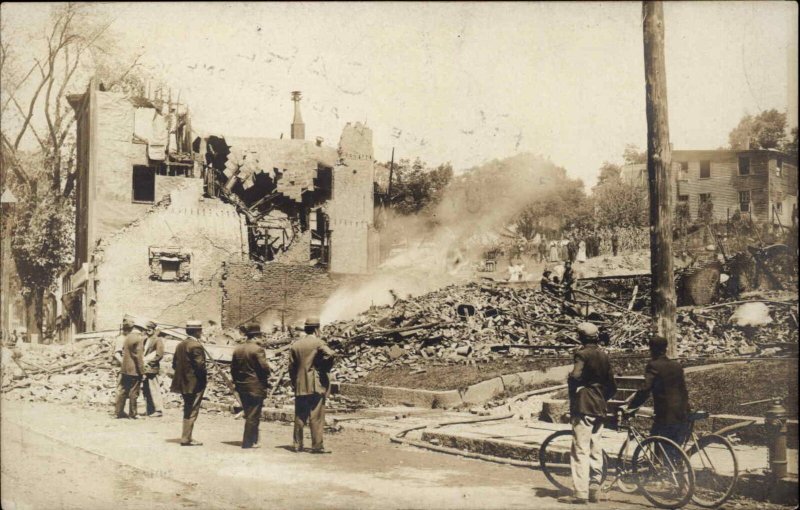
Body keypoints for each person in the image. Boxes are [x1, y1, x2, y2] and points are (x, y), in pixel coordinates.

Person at [560, 323, 617, 505]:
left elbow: (576, 376)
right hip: (600, 404)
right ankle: (594, 486)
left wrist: (575, 383)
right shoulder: (603, 355)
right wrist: (602, 397)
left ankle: (580, 493)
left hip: (584, 403)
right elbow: (612, 385)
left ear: (581, 337)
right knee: (595, 446)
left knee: (580, 448)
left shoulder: (582, 354)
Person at [626, 336, 690, 446]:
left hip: (665, 412)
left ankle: (658, 462)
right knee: (673, 446)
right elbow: (683, 390)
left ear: (652, 349)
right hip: (681, 410)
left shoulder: (653, 365)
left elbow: (645, 390)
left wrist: (632, 406)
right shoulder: (677, 366)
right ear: (665, 348)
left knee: (658, 439)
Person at [289, 317, 336, 454]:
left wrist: (295, 383)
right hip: (315, 385)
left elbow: (291, 368)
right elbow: (331, 354)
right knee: (316, 416)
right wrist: (323, 366)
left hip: (300, 384)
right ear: (316, 329)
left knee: (299, 415)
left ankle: (297, 445)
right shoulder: (318, 342)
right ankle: (317, 446)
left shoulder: (295, 345)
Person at [231, 323, 271, 449]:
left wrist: (237, 381)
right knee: (254, 414)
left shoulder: (238, 349)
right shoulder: (258, 349)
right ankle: (247, 443)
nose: (261, 339)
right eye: (260, 337)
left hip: (242, 386)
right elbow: (264, 368)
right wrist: (267, 374)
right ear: (254, 337)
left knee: (249, 413)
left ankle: (253, 440)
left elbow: (233, 369)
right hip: (255, 386)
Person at [171, 320, 207, 446]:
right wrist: (201, 379)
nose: (201, 332)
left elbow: (174, 364)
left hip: (183, 383)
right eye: (200, 330)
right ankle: (186, 438)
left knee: (187, 408)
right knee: (192, 410)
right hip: (195, 384)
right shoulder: (195, 345)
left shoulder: (180, 344)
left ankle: (186, 437)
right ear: (197, 331)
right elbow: (200, 366)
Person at [114, 317, 146, 419]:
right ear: (141, 329)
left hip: (125, 369)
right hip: (134, 370)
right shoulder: (138, 338)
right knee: (134, 392)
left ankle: (119, 412)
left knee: (123, 390)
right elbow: (138, 357)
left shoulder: (127, 337)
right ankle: (133, 413)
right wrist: (142, 371)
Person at [142, 320, 164, 417]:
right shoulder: (146, 340)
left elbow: (159, 355)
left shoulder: (158, 340)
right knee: (146, 390)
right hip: (145, 368)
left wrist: (150, 363)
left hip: (152, 368)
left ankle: (158, 410)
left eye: (150, 329)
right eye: (146, 330)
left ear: (154, 330)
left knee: (154, 388)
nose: (147, 331)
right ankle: (150, 410)